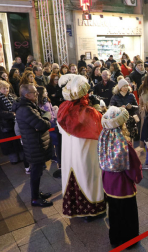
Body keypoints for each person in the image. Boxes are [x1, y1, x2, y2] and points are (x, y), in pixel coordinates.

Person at [57, 75, 106, 219]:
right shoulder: (90, 113)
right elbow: (102, 127)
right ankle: (93, 210)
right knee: (89, 177)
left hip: (69, 153)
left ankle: (76, 210)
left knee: (73, 177)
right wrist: (100, 109)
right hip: (87, 152)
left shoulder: (63, 108)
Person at [99, 106, 142, 248]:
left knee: (114, 212)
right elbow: (133, 166)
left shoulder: (103, 138)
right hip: (123, 185)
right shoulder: (124, 143)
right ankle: (130, 240)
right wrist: (137, 177)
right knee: (128, 212)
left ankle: (115, 239)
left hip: (109, 182)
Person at [13, 84, 53, 207]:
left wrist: (45, 116)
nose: (37, 94)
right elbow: (43, 124)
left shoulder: (29, 105)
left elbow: (44, 114)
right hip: (34, 145)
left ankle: (37, 194)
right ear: (26, 95)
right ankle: (35, 199)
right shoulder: (26, 109)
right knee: (35, 173)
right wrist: (47, 117)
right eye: (34, 92)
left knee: (38, 172)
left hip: (36, 143)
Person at [0, 81, 24, 165]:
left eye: (7, 88)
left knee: (18, 142)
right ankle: (14, 159)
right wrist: (12, 114)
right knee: (9, 144)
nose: (6, 90)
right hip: (5, 124)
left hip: (16, 122)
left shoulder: (13, 96)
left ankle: (22, 157)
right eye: (4, 88)